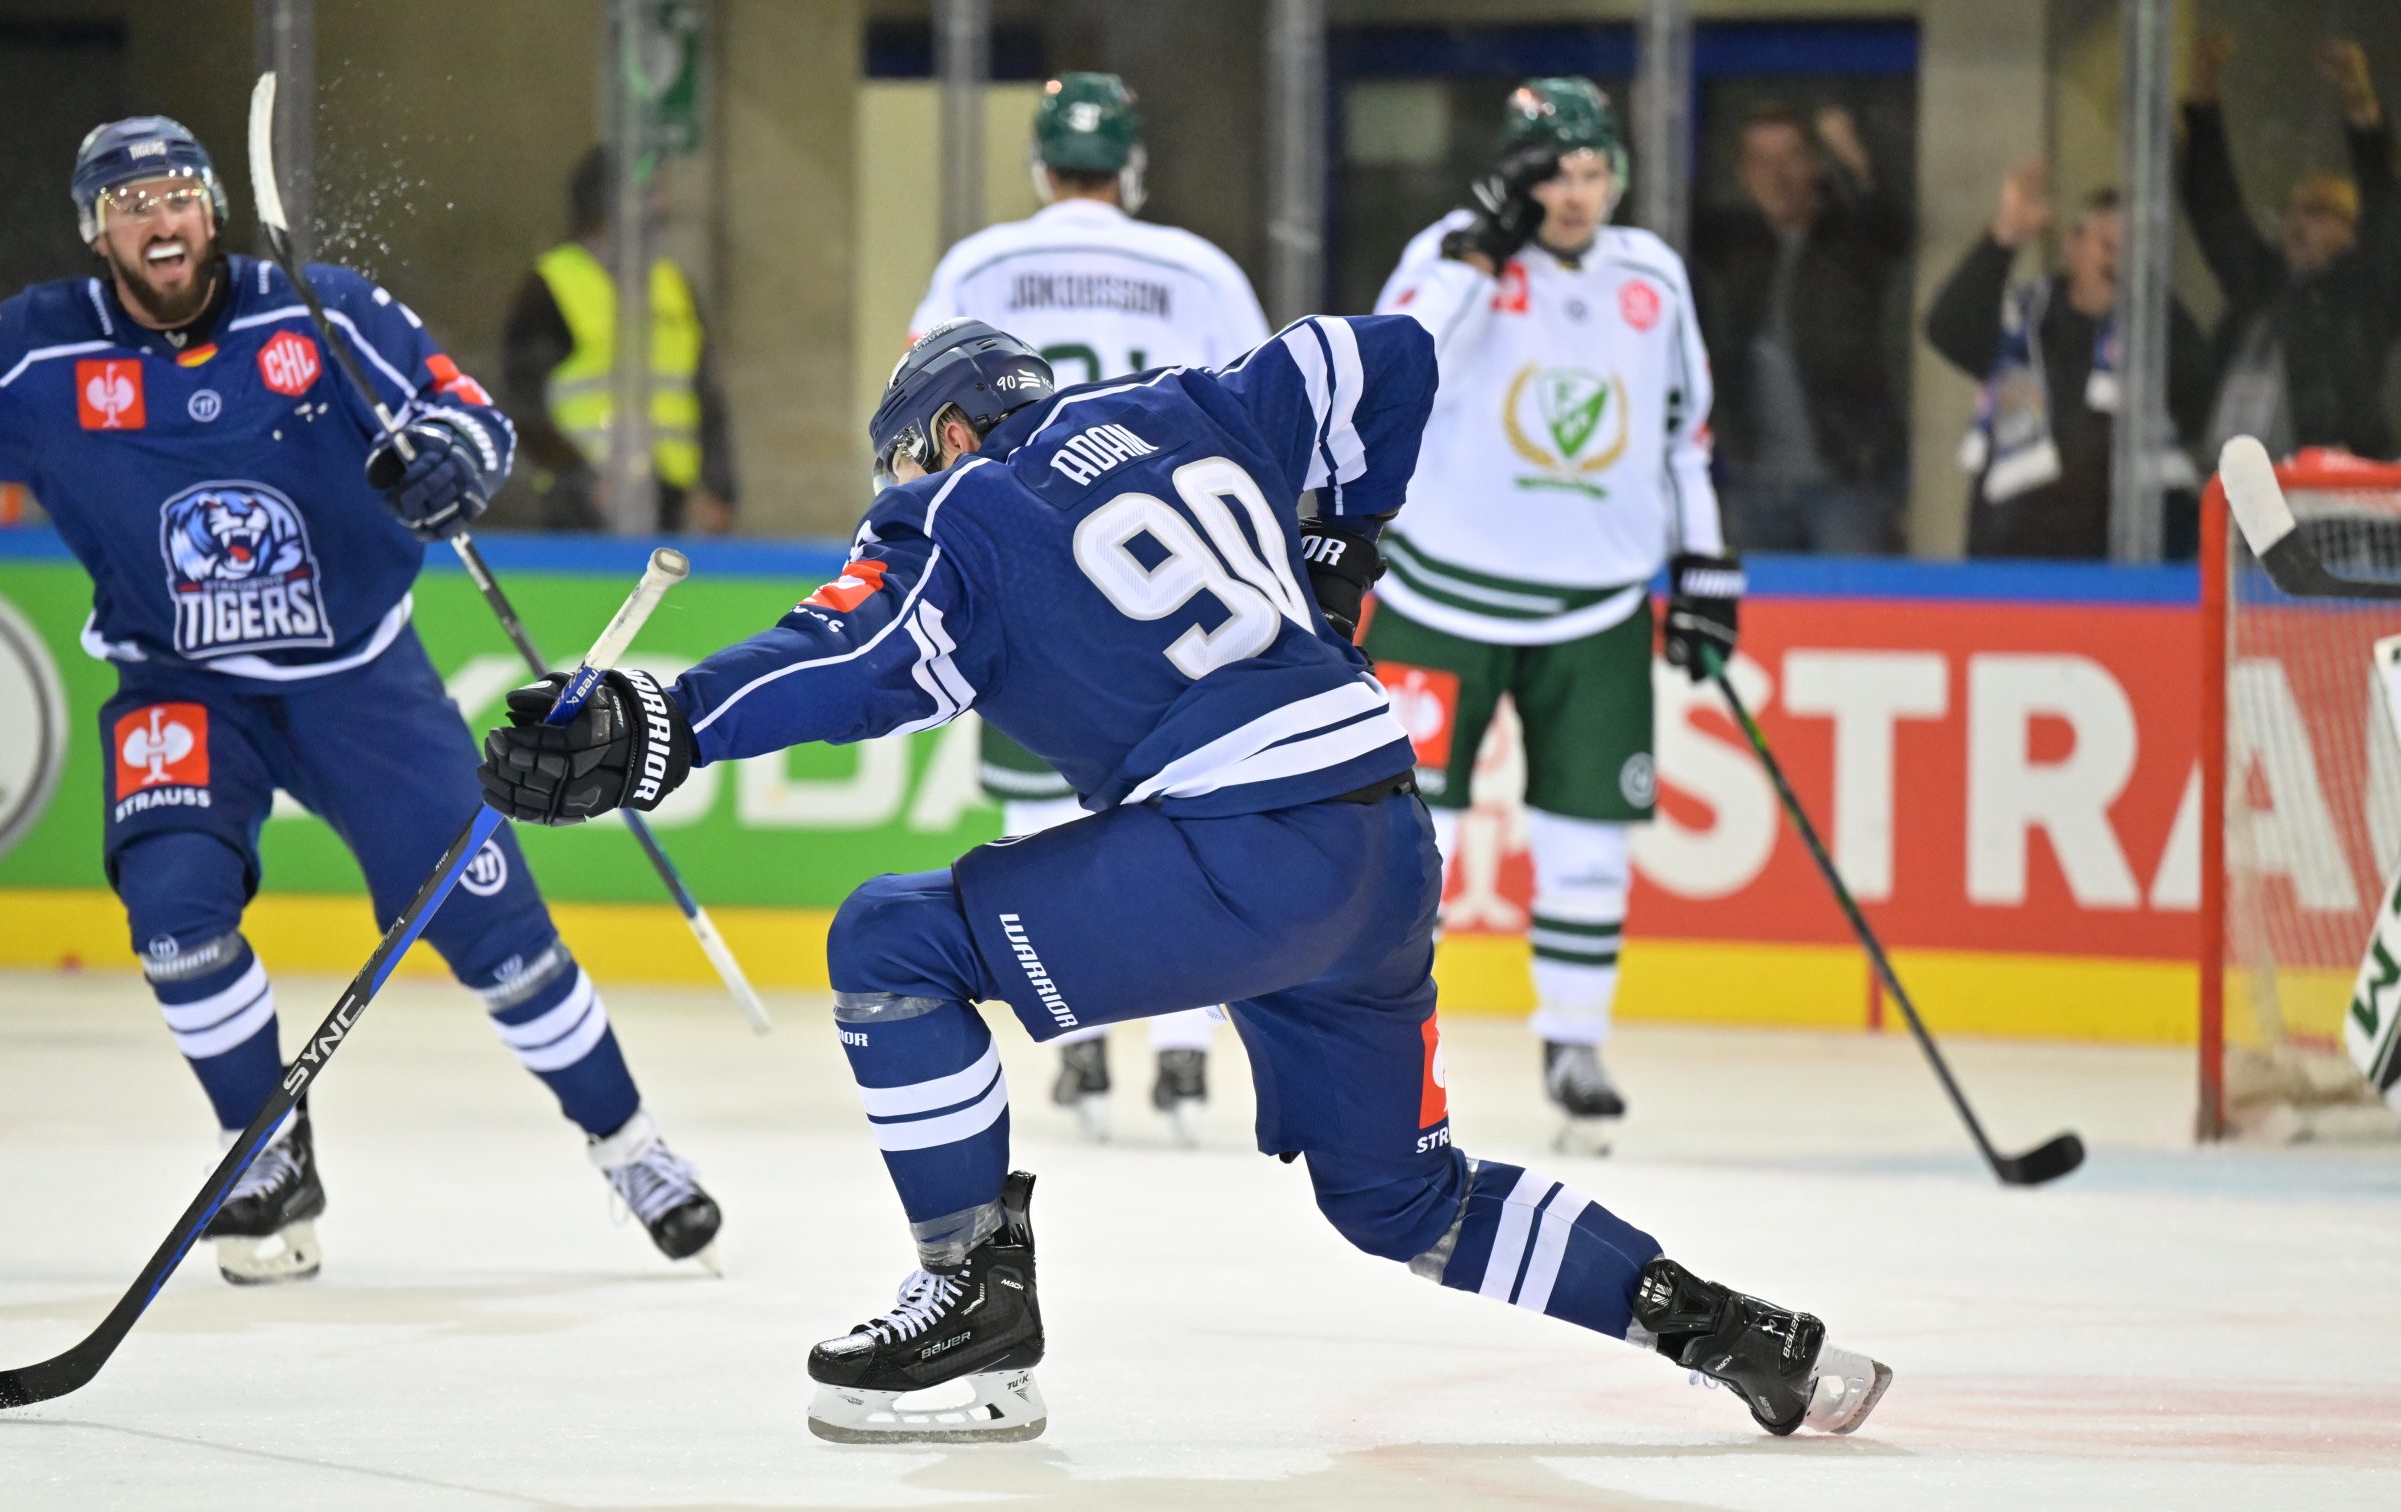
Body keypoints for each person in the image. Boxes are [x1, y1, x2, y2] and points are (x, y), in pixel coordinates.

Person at [477, 315, 1891, 1446]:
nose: (895, 497)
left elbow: (844, 661)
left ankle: (974, 1292)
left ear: (950, 432)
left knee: (892, 940)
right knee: (1399, 1197)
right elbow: (1386, 357)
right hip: (1381, 838)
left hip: (1244, 846)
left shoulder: (959, 505)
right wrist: (1340, 549)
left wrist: (650, 725)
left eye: (905, 463)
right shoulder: (1184, 405)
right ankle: (1727, 1328)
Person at [0, 117, 722, 1282]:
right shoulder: (41, 351)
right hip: (183, 684)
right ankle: (261, 1150)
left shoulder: (322, 312)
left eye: (176, 196)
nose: (158, 220)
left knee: (497, 935)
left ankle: (630, 1145)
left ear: (211, 209)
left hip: (362, 683)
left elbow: (472, 415)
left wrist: (450, 461)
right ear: (95, 230)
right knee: (173, 912)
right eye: (128, 203)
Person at [1360, 78, 1737, 1149]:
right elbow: (1395, 368)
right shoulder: (1453, 250)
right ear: (1517, 174)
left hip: (1597, 604)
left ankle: (1575, 1042)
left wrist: (1706, 562)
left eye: (1593, 170)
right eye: (1556, 173)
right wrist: (1479, 256)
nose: (1578, 194)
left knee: (1588, 834)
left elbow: (1682, 435)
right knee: (1409, 836)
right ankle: (1392, 1040)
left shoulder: (1650, 275)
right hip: (1442, 597)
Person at [908, 72, 1271, 1142]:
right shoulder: (1196, 267)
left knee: (1037, 815)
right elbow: (1249, 419)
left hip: (1031, 583)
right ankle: (1186, 1053)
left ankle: (1071, 1050)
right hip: (1165, 578)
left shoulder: (981, 264)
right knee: (1188, 809)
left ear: (1038, 166)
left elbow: (926, 425)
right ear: (1131, 168)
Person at [1924, 162, 2211, 559]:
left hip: (2124, 567)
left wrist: (2148, 287)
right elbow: (1947, 328)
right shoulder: (2024, 323)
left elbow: (2199, 391)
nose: (2119, 261)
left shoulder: (2156, 333)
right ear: (2073, 246)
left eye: (2134, 251)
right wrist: (2003, 237)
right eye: (2108, 245)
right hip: (2016, 556)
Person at [1694, 104, 1911, 553]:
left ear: (1814, 165)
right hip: (1752, 480)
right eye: (1761, 161)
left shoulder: (1847, 240)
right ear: (1744, 175)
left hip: (1846, 481)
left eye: (1790, 157)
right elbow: (1665, 212)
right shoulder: (1738, 244)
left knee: (1850, 617)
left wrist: (1855, 157)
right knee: (1756, 619)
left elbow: (1893, 227)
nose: (1777, 175)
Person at [2184, 34, 2400, 463]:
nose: (2299, 222)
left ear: (2353, 233)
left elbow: (2386, 211)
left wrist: (2361, 104)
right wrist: (2203, 93)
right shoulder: (2263, 283)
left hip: (2326, 492)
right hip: (2238, 497)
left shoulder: (2365, 294)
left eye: (2320, 211)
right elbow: (2215, 208)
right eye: (2295, 210)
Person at [502, 147, 739, 535]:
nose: (660, 206)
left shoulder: (673, 284)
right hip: (578, 507)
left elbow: (707, 397)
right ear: (604, 202)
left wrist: (718, 489)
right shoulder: (551, 284)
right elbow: (524, 402)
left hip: (673, 507)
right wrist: (580, 479)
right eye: (647, 193)